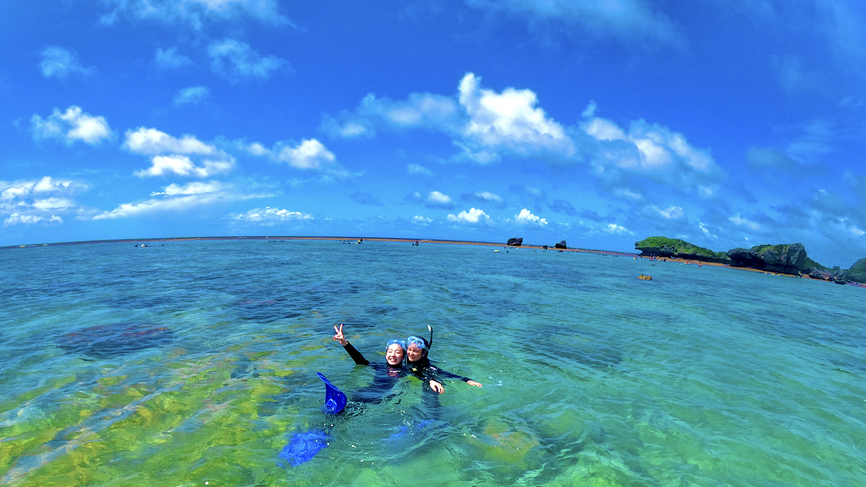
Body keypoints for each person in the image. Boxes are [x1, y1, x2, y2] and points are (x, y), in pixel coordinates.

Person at [332, 324, 443, 402]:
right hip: (366, 392)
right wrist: (345, 343)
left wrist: (431, 380)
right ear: (385, 354)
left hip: (381, 398)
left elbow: (420, 374)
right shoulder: (380, 366)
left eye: (397, 352)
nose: (392, 355)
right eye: (390, 351)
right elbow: (360, 361)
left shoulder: (405, 370)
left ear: (404, 357)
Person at [406, 334, 483, 393]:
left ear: (423, 354)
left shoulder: (428, 367)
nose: (411, 353)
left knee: (432, 387)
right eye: (409, 349)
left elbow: (444, 373)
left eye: (415, 351)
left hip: (428, 379)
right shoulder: (402, 358)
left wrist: (466, 380)